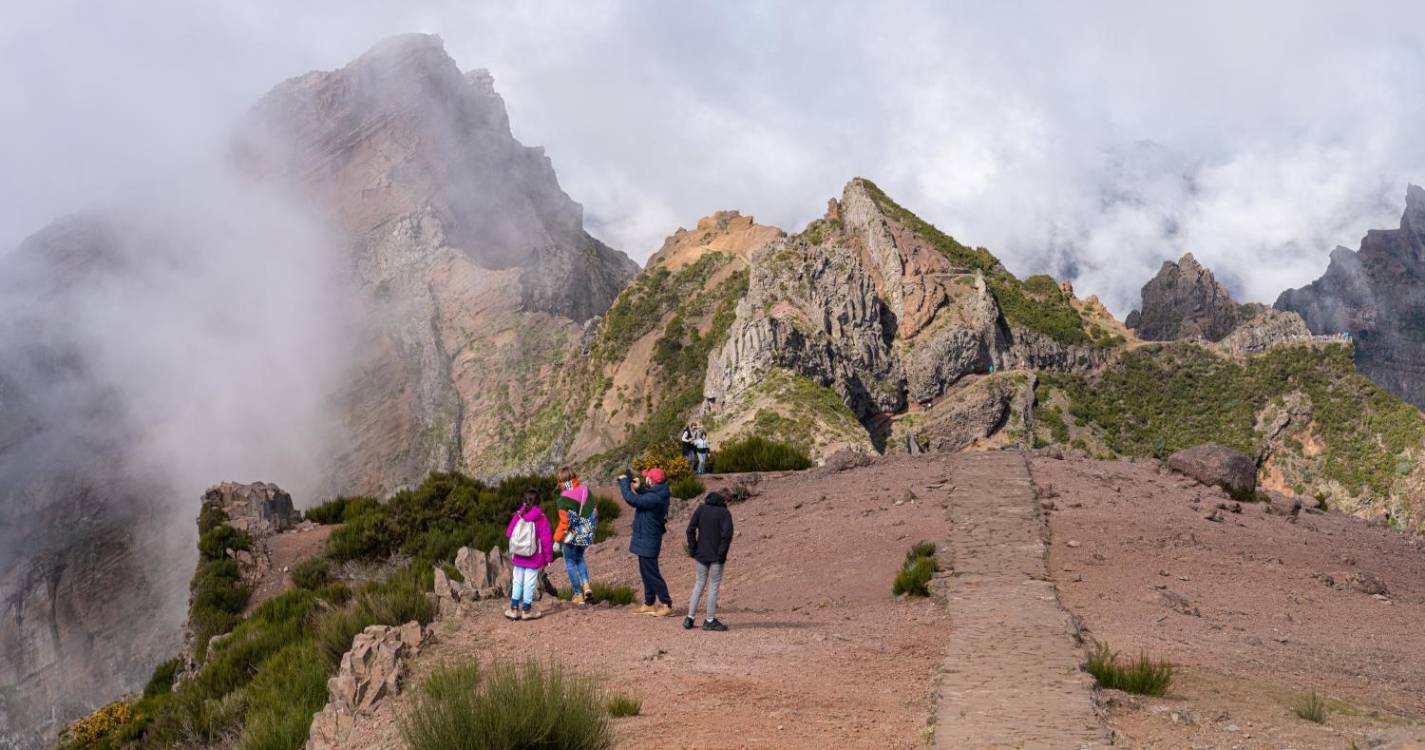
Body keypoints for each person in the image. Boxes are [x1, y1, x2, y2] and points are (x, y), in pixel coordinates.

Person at [618, 467, 673, 616]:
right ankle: (649, 603)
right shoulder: (659, 492)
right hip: (646, 537)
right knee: (645, 571)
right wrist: (640, 488)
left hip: (649, 538)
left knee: (652, 573)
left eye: (647, 477)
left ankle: (666, 604)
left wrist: (624, 483)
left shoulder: (656, 497)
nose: (645, 479)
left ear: (652, 481)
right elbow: (647, 497)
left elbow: (632, 499)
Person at [683, 490, 734, 631]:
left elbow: (690, 530)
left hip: (701, 554)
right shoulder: (725, 513)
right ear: (723, 500)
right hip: (716, 556)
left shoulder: (701, 509)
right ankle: (709, 620)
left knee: (699, 584)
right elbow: (727, 536)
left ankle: (690, 618)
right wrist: (722, 554)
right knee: (713, 586)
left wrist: (693, 549)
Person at [504, 489, 553, 620]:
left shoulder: (518, 515)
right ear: (538, 502)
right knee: (529, 583)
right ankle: (526, 610)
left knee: (517, 581)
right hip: (534, 557)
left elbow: (509, 533)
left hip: (519, 556)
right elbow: (546, 540)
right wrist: (548, 558)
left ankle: (513, 609)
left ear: (524, 501)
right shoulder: (541, 518)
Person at [552, 466, 596, 604]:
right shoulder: (585, 490)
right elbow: (594, 511)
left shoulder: (563, 499)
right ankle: (586, 586)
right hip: (586, 531)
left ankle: (578, 594)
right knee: (580, 558)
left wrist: (556, 540)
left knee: (570, 562)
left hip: (571, 536)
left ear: (561, 481)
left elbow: (565, 523)